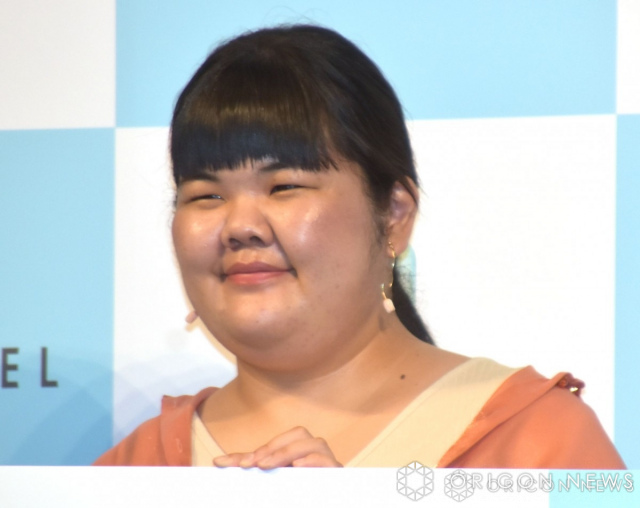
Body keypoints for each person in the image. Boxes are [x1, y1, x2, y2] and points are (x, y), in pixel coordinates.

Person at [95, 24, 624, 469]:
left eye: (284, 186)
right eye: (206, 195)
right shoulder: (132, 469)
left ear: (394, 214)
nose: (240, 225)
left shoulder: (545, 440)